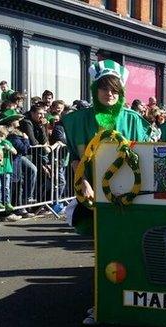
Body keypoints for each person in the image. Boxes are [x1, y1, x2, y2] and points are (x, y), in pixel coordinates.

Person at [63, 59, 150, 236]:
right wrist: (84, 183)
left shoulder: (132, 119)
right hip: (93, 191)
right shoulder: (79, 120)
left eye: (114, 89)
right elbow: (75, 158)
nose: (109, 93)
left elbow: (145, 156)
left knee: (127, 236)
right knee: (99, 238)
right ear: (95, 90)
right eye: (104, 88)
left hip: (128, 190)